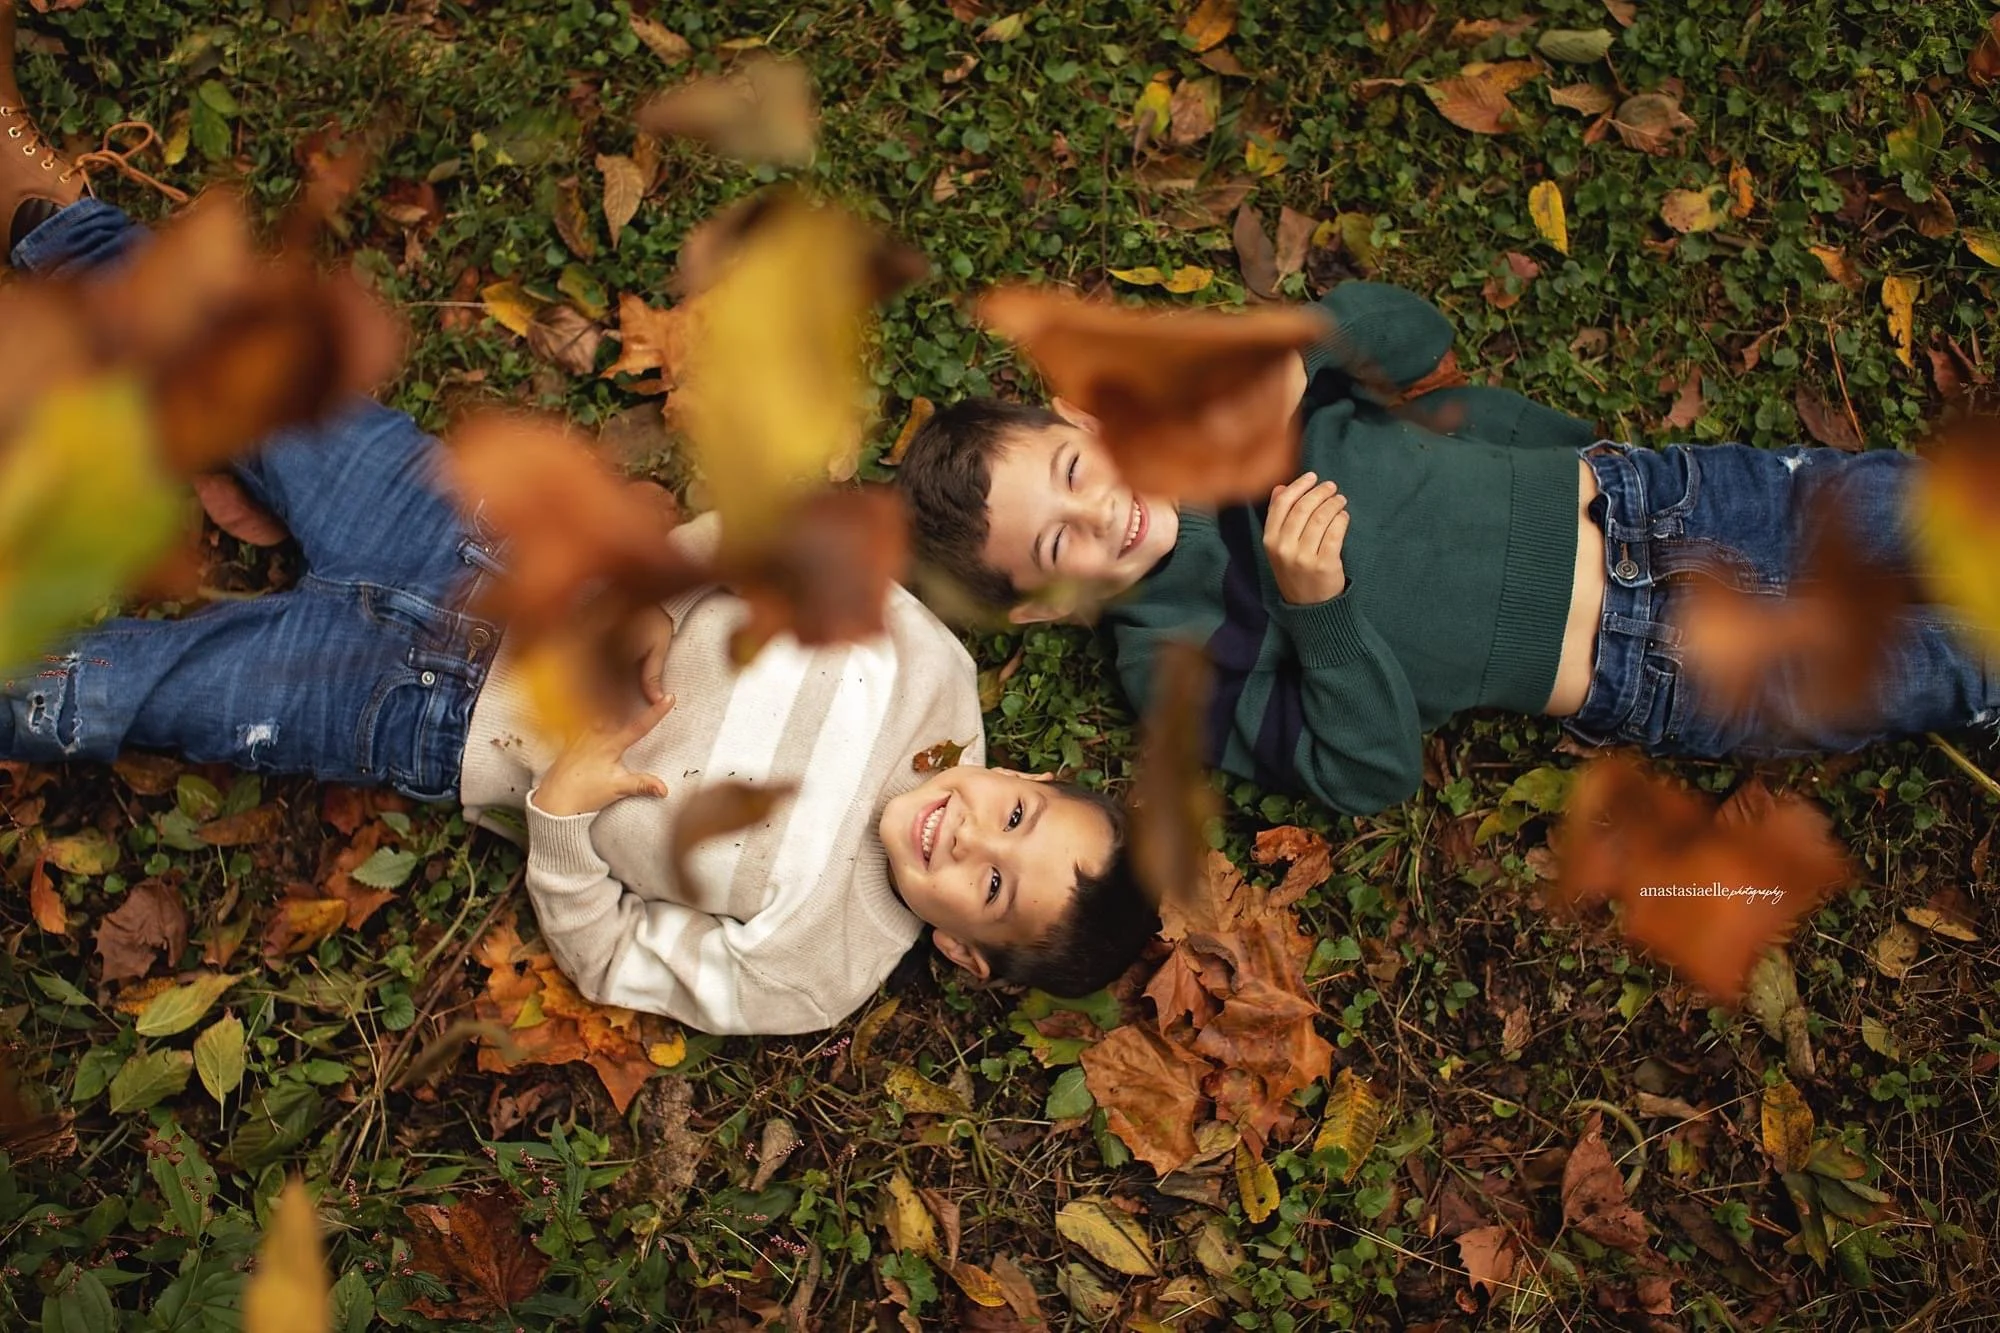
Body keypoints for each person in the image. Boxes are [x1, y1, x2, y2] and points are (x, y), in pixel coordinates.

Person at [0, 93, 1156, 1034]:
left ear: (963, 952)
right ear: (1030, 777)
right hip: (487, 549)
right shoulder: (930, 675)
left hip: (424, 721)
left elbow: (611, 956)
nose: (973, 831)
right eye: (1015, 812)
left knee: (142, 692)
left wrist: (561, 810)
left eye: (993, 886)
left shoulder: (819, 969)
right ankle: (54, 225)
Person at [898, 281, 2000, 816]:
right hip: (1648, 660)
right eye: (1056, 543)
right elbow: (1366, 775)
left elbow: (1418, 333)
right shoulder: (1166, 663)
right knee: (1946, 661)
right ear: (1040, 605)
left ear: (1084, 426)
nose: (1100, 518)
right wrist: (1312, 607)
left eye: (1077, 476)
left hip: (1665, 499)